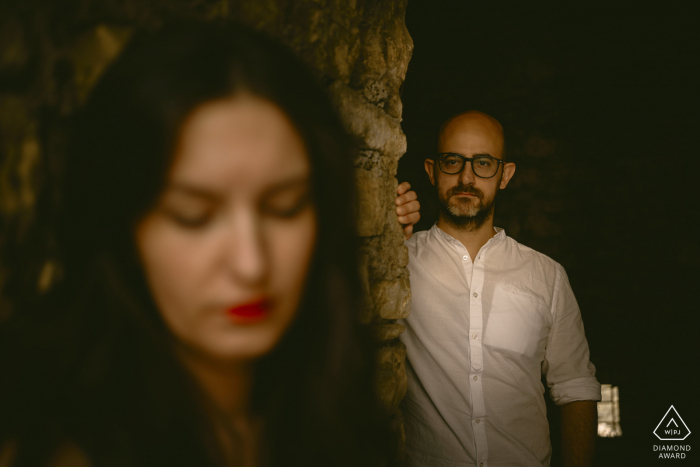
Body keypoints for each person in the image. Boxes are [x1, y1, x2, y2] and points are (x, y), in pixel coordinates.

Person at [0, 21, 420, 467]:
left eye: (285, 207)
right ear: (123, 229)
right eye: (194, 216)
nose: (251, 263)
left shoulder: (332, 417)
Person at [397, 111, 600, 467]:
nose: (466, 177)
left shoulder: (547, 275)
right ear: (431, 170)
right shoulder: (399, 262)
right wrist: (382, 242)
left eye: (484, 163)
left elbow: (576, 388)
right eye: (452, 161)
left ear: (504, 175)